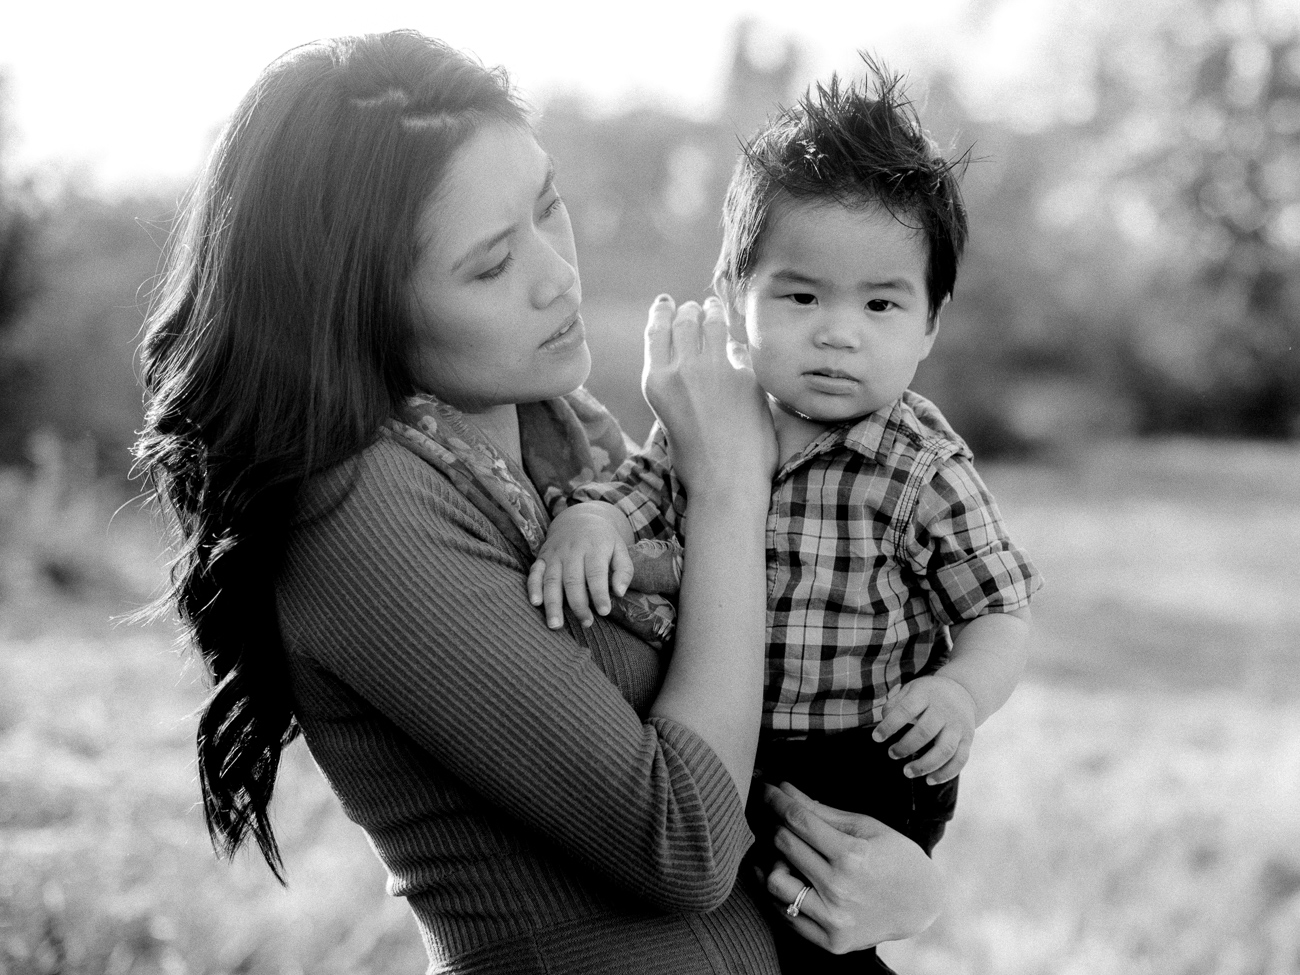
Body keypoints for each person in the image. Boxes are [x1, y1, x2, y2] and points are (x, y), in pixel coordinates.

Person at [134, 31, 943, 974]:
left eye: (548, 207)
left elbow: (758, 736)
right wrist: (728, 482)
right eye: (488, 266)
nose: (557, 274)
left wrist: (905, 879)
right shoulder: (362, 509)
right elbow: (683, 842)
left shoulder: (579, 449)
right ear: (359, 306)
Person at [530, 58, 1043, 973]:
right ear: (735, 296)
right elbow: (640, 490)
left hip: (869, 758)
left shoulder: (922, 462)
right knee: (727, 924)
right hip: (729, 740)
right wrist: (595, 523)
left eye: (882, 304)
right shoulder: (716, 412)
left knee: (820, 936)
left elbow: (998, 606)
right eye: (802, 296)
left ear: (929, 323)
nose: (840, 332)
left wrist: (961, 693)